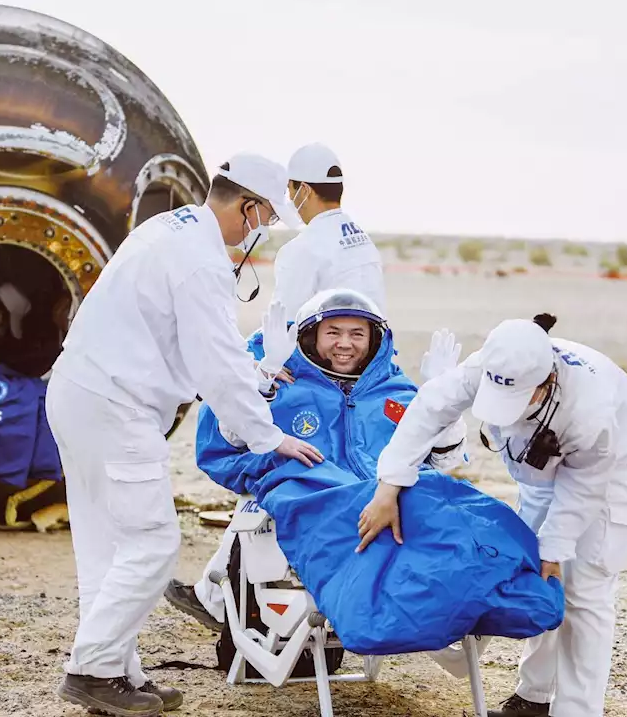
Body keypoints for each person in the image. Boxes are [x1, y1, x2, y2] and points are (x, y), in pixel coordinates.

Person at [45, 153, 324, 717]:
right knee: (152, 540)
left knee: (109, 545)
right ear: (246, 206)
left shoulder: (166, 229)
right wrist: (267, 437)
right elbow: (215, 362)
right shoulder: (201, 262)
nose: (262, 230)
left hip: (80, 393)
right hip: (118, 407)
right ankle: (91, 670)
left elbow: (199, 350)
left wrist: (256, 376)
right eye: (265, 216)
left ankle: (117, 674)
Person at [366, 314, 627, 717]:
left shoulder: (592, 410)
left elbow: (584, 488)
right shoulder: (493, 360)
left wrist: (556, 546)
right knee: (538, 573)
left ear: (545, 384)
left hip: (611, 474)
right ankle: (533, 698)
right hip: (541, 471)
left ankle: (577, 710)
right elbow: (430, 408)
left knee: (584, 589)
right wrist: (389, 484)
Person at [163, 288, 469, 631]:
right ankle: (218, 598)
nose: (345, 344)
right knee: (265, 499)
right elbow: (234, 437)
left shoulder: (395, 392)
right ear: (311, 336)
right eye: (333, 333)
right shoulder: (285, 384)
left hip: (387, 511)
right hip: (318, 510)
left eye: (357, 334)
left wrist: (444, 402)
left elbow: (443, 460)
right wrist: (262, 378)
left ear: (374, 339)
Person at [269, 143, 387, 322]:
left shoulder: (301, 248)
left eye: (290, 189)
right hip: (372, 345)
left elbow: (283, 324)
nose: (290, 198)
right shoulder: (363, 241)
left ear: (305, 190)